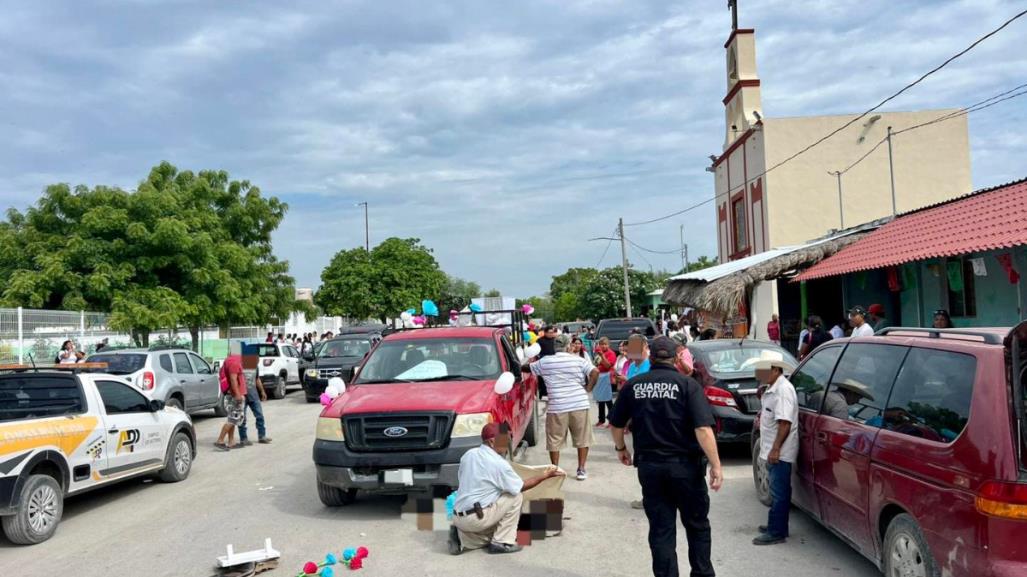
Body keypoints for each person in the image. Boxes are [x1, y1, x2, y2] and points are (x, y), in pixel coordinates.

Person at [609, 336, 723, 577]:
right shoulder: (687, 385)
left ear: (650, 356)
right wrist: (716, 465)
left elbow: (616, 424)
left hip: (651, 468)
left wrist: (621, 449)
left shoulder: (633, 385)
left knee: (661, 530)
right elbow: (703, 429)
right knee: (697, 526)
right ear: (677, 357)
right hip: (686, 469)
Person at [448, 423, 565, 555]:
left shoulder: (469, 454)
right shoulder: (498, 464)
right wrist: (544, 475)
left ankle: (463, 538)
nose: (507, 443)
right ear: (492, 441)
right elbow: (520, 487)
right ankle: (501, 542)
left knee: (497, 519)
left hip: (458, 516)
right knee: (515, 497)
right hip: (476, 518)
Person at [529, 333, 599, 481]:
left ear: (555, 347)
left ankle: (555, 470)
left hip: (557, 406)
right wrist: (588, 388)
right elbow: (595, 372)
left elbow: (526, 368)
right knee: (582, 438)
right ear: (568, 346)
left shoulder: (545, 362)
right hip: (579, 404)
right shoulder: (578, 360)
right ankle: (581, 469)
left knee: (555, 440)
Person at [753, 359, 798, 546]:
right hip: (772, 448)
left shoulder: (783, 390)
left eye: (763, 371)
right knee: (776, 490)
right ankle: (776, 525)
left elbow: (785, 423)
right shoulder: (772, 388)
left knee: (779, 492)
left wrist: (776, 449)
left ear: (775, 370)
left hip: (779, 451)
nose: (760, 376)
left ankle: (777, 531)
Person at [237, 356, 272, 446]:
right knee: (242, 418)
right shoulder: (239, 366)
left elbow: (257, 379)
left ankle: (262, 436)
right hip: (242, 396)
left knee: (260, 415)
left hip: (254, 395)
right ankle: (243, 438)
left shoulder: (255, 367)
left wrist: (262, 391)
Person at [215, 354, 247, 451]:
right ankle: (220, 440)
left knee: (232, 417)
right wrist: (238, 394)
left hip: (231, 393)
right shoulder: (234, 362)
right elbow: (233, 379)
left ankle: (231, 441)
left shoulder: (229, 360)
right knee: (234, 419)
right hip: (235, 394)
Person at [592, 337, 617, 428]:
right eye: (601, 344)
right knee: (600, 400)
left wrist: (602, 355)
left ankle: (612, 420)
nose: (603, 346)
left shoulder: (611, 353)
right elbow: (596, 364)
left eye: (605, 344)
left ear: (608, 345)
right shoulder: (598, 353)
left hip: (607, 377)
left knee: (608, 400)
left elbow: (607, 366)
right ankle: (601, 419)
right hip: (599, 377)